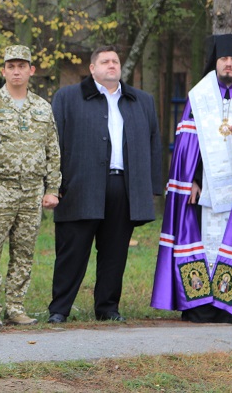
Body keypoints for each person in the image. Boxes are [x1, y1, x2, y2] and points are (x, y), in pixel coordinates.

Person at [151, 34, 232, 324]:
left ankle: (230, 305)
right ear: (216, 61)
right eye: (224, 59)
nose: (228, 64)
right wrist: (193, 180)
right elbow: (188, 144)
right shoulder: (200, 95)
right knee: (203, 241)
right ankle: (199, 305)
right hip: (205, 188)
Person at [48, 45, 162, 323]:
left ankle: (108, 308)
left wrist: (151, 187)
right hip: (79, 185)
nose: (112, 65)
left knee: (114, 252)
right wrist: (52, 185)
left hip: (123, 186)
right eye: (105, 62)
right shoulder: (68, 98)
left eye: (115, 61)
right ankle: (59, 309)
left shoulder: (141, 100)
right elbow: (53, 144)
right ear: (92, 68)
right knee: (72, 251)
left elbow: (153, 144)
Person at [0, 45, 61, 327]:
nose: (16, 71)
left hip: (32, 190)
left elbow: (53, 150)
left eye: (22, 66)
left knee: (24, 252)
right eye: (11, 66)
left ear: (32, 70)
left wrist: (52, 189)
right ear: (3, 71)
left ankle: (16, 307)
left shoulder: (42, 107)